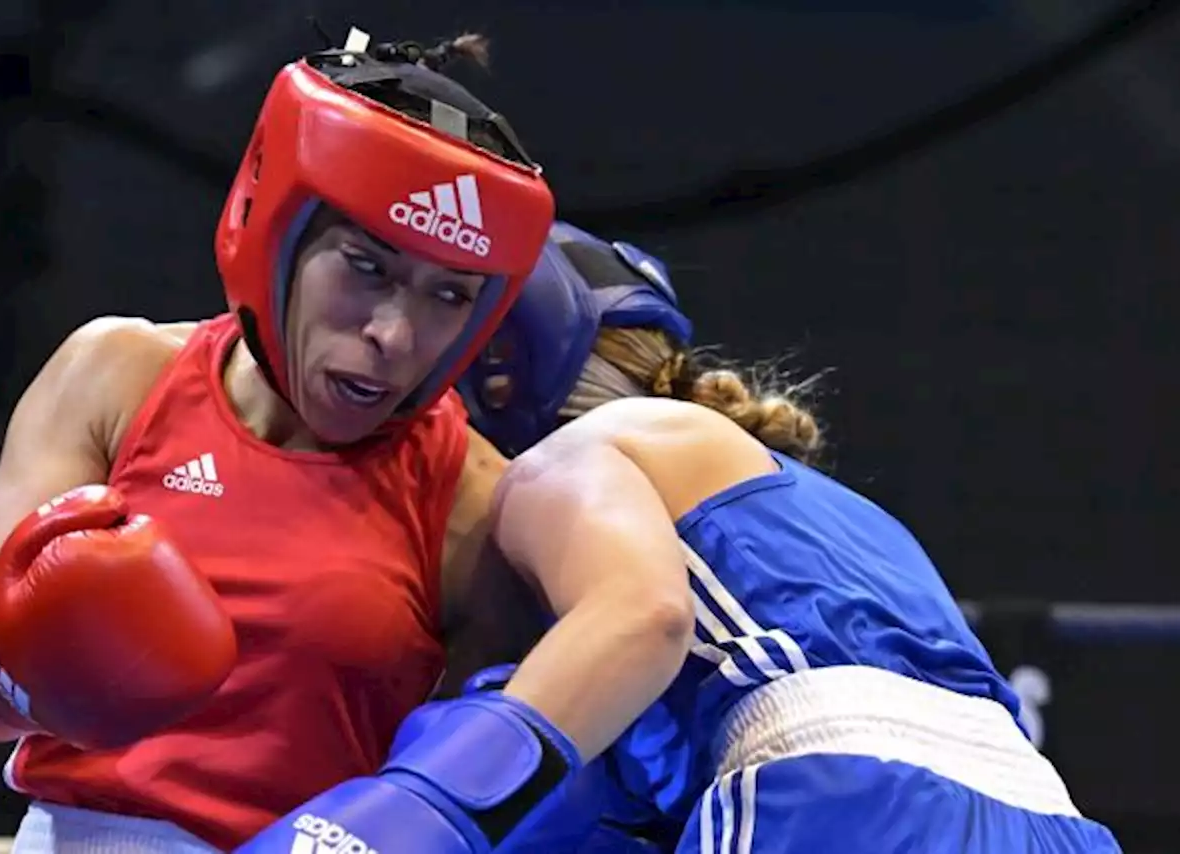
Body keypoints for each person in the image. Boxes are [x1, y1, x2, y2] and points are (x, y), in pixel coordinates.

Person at [237, 222, 1122, 853]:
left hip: (835, 797)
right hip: (1052, 819)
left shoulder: (572, 459)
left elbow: (635, 621)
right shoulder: (828, 506)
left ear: (492, 378)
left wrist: (394, 817)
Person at [0, 28, 572, 852]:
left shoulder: (475, 496)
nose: (396, 336)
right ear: (280, 232)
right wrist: (5, 680)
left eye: (448, 295)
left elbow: (481, 792)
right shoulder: (117, 378)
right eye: (366, 267)